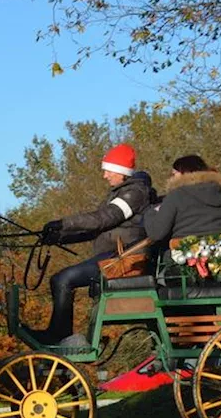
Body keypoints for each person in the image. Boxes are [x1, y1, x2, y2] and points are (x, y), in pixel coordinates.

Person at [36, 143, 154, 345]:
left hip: (122, 259)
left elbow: (103, 218)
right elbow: (97, 229)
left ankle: (59, 336)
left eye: (108, 170)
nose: (105, 175)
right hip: (113, 256)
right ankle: (60, 335)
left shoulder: (134, 193)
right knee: (60, 279)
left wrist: (64, 223)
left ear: (121, 171)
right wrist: (60, 237)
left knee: (63, 279)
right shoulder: (121, 192)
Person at [143, 155, 221, 244]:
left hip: (183, 253)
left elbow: (156, 233)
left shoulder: (177, 195)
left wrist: (151, 212)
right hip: (218, 252)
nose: (171, 177)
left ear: (184, 173)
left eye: (174, 174)